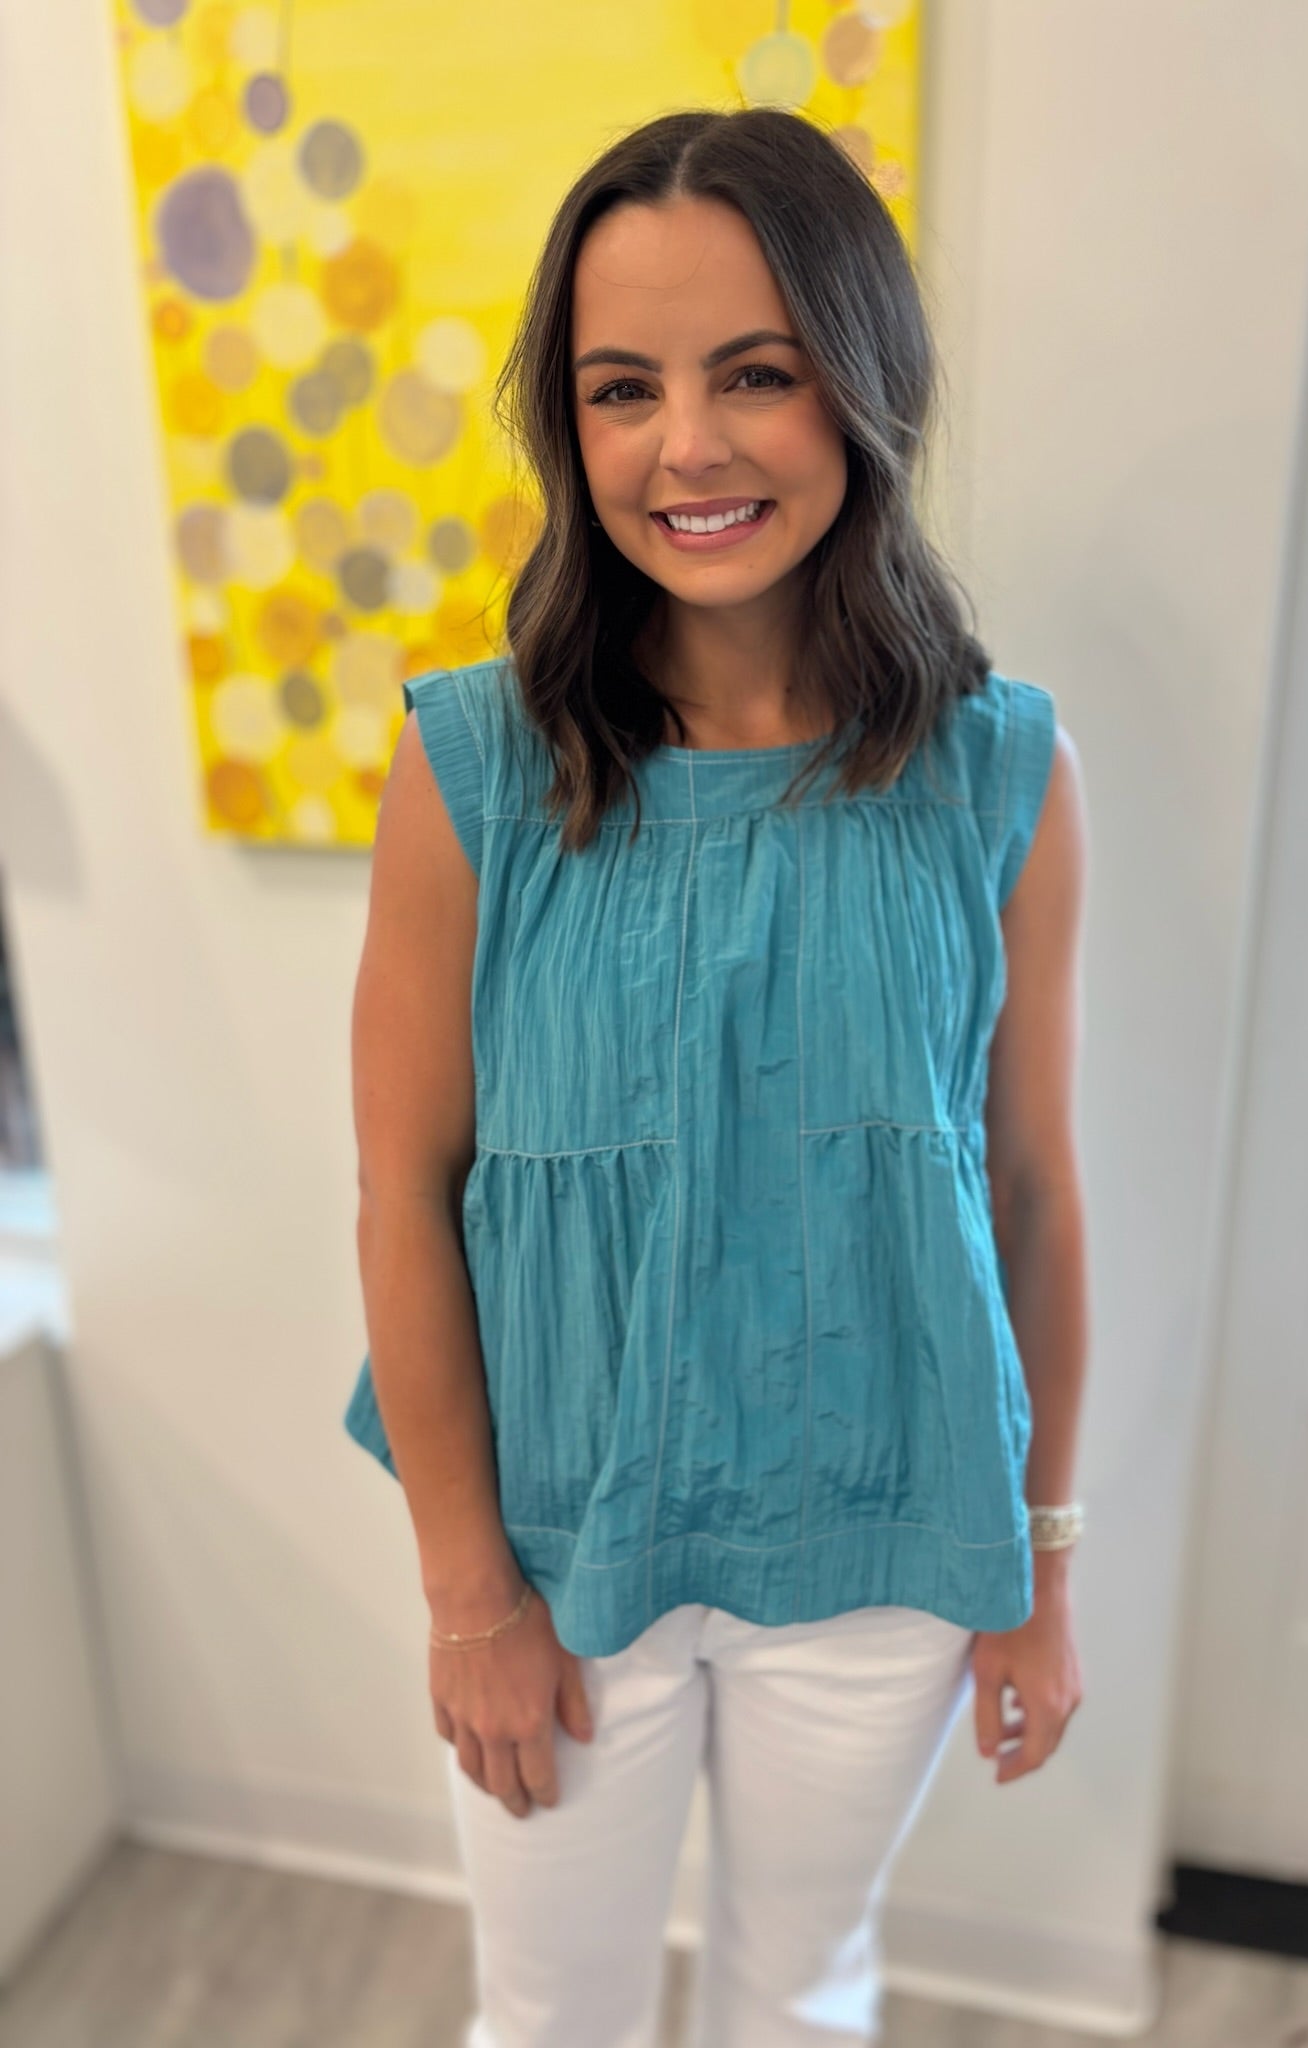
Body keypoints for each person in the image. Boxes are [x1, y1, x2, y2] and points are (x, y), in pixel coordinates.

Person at [345, 105, 1090, 2048]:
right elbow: (406, 1191)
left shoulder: (1002, 773)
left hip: (888, 1544)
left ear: (863, 383)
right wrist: (466, 1593)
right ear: (568, 428)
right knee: (552, 2017)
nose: (686, 445)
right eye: (622, 389)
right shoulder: (471, 769)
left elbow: (1026, 1191)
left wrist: (1040, 1562)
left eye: (755, 372)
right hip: (562, 1544)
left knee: (801, 1996)